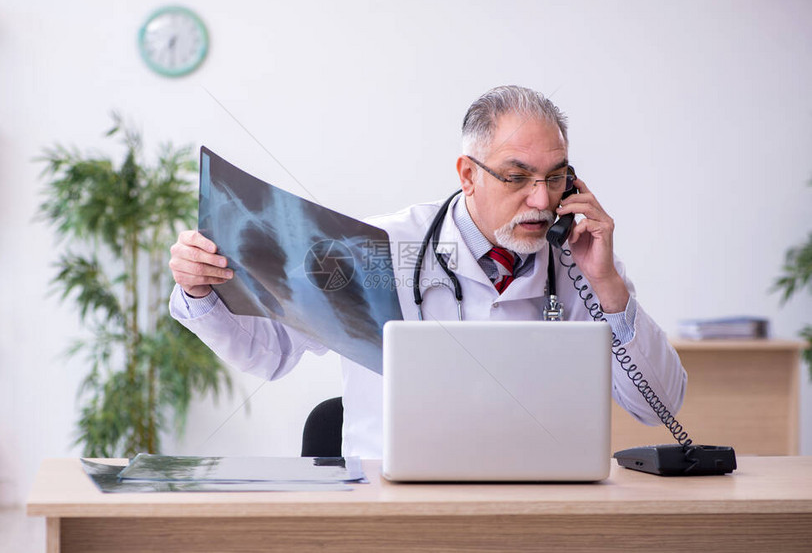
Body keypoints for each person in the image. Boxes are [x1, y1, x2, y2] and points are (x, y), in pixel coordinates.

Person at [169, 85, 687, 458]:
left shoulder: (581, 259)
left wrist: (609, 287)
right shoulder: (374, 247)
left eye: (555, 179)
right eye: (517, 177)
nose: (541, 199)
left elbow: (659, 406)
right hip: (388, 509)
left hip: (537, 508)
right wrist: (200, 291)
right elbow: (270, 354)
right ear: (468, 174)